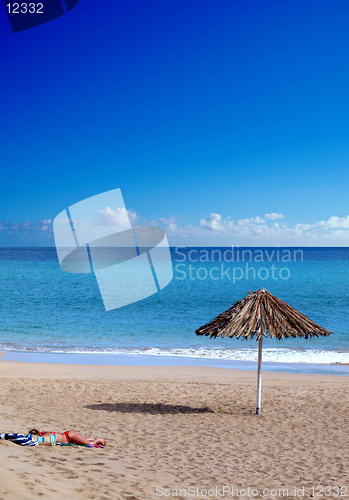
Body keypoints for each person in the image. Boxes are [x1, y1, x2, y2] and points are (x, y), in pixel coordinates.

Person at [28, 428, 106, 446]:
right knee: (83, 440)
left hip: (69, 436)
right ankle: (95, 439)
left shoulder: (44, 436)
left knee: (89, 444)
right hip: (68, 436)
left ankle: (99, 440)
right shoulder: (45, 433)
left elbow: (40, 441)